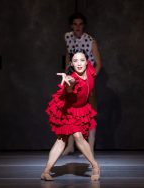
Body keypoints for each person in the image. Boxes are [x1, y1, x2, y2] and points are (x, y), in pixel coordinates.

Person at [42, 52, 100, 181]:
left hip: (82, 108)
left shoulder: (90, 70)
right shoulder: (72, 78)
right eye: (75, 61)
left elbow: (97, 66)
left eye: (81, 60)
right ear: (72, 64)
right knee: (74, 136)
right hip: (68, 110)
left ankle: (45, 171)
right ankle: (95, 166)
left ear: (87, 61)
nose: (79, 63)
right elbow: (70, 86)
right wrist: (68, 80)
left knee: (62, 140)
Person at [63, 12, 101, 156]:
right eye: (75, 24)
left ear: (83, 26)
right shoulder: (67, 37)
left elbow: (98, 63)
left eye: (80, 24)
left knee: (89, 113)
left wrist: (90, 79)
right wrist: (66, 75)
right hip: (72, 80)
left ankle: (90, 148)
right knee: (71, 113)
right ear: (71, 25)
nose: (77, 27)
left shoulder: (90, 40)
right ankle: (71, 145)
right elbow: (68, 55)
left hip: (87, 80)